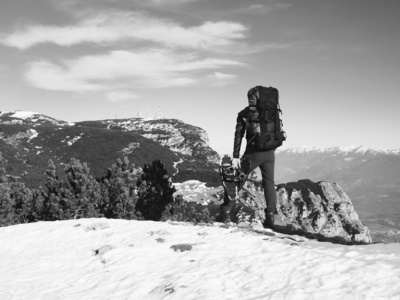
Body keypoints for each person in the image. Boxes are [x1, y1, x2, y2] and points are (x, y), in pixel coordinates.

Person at [224, 87, 277, 229]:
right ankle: (270, 217)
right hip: (270, 152)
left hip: (253, 153)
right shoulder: (271, 112)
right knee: (269, 182)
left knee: (237, 177)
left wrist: (236, 156)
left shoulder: (245, 114)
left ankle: (226, 211)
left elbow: (238, 135)